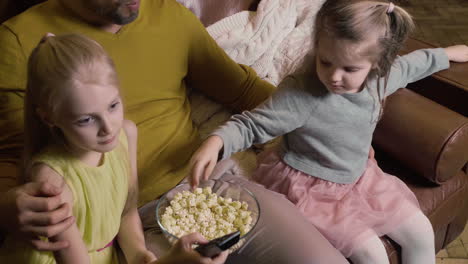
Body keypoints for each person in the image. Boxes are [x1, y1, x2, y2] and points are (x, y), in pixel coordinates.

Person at [0, 0, 348, 263]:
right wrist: (7, 206)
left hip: (205, 189)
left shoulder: (168, 15)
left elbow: (243, 90)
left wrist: (331, 131)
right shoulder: (18, 41)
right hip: (110, 228)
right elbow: (15, 156)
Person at [189, 0, 468, 263]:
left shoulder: (380, 79)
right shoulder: (303, 92)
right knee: (373, 254)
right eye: (325, 62)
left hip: (360, 176)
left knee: (421, 231)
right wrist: (217, 140)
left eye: (349, 68)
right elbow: (253, 124)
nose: (334, 76)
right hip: (310, 186)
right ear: (317, 48)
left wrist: (447, 54)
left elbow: (410, 66)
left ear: (377, 65)